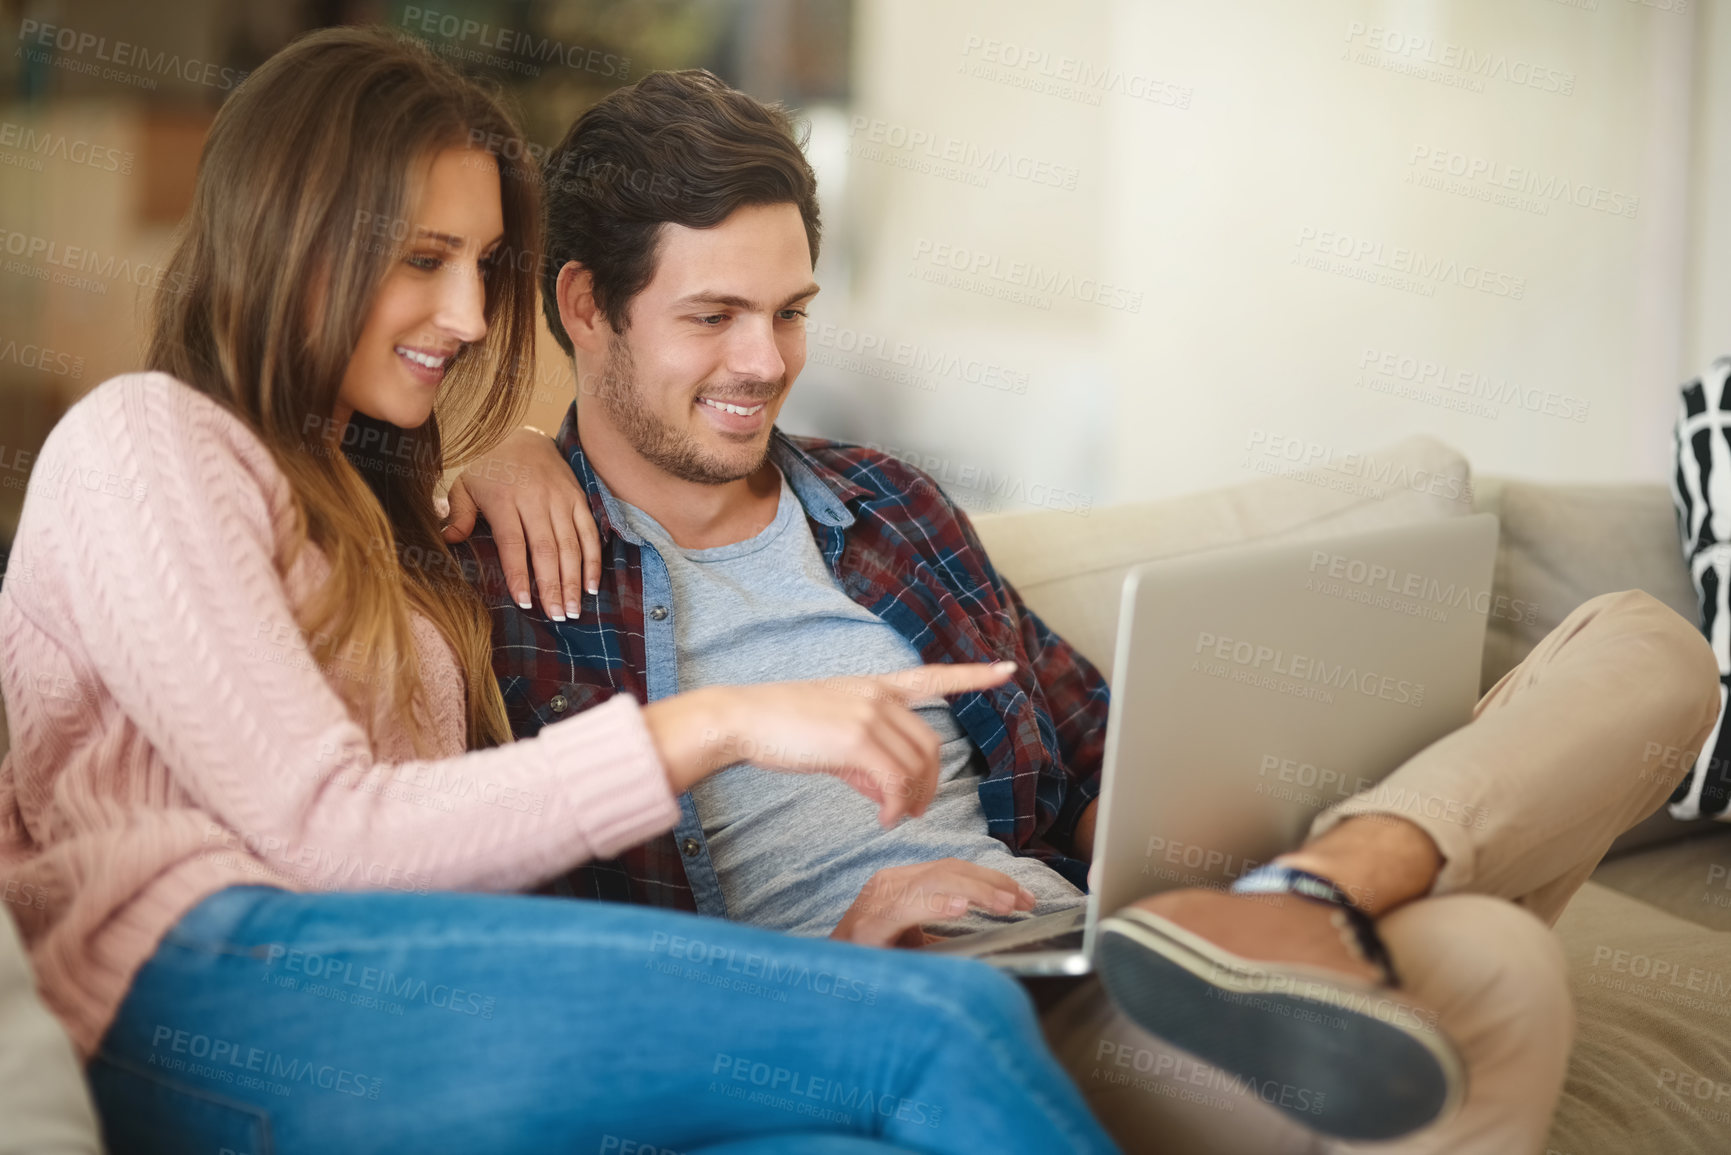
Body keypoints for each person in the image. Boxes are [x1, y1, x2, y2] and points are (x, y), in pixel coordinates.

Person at [449, 67, 1724, 1154]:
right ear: (581, 306)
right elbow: (521, 967)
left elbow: (1092, 758)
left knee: (1651, 652)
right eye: (712, 317)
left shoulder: (890, 510)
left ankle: (1310, 889)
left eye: (789, 314)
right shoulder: (511, 577)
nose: (765, 363)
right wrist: (835, 971)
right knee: (1498, 973)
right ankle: (1314, 904)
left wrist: (1201, 816)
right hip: (935, 1013)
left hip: (1091, 942)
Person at [0, 27, 1121, 1155]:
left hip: (401, 1001)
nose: (474, 318)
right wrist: (717, 723)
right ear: (293, 237)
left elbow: (448, 852)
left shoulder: (388, 523)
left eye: (483, 267)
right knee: (940, 1027)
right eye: (423, 259)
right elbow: (322, 834)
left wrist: (503, 457)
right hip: (206, 988)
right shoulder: (140, 440)